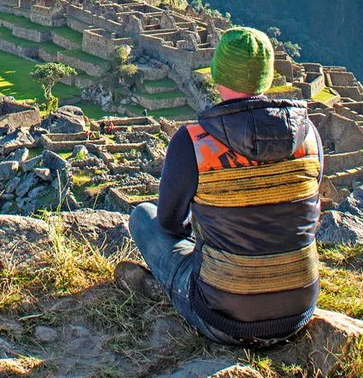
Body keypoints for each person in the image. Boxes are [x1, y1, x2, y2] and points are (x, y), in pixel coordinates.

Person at [118, 26, 324, 346]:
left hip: (223, 317)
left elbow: (170, 224)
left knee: (144, 217)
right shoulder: (308, 135)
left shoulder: (194, 142)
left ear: (217, 76)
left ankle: (167, 289)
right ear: (267, 79)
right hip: (298, 310)